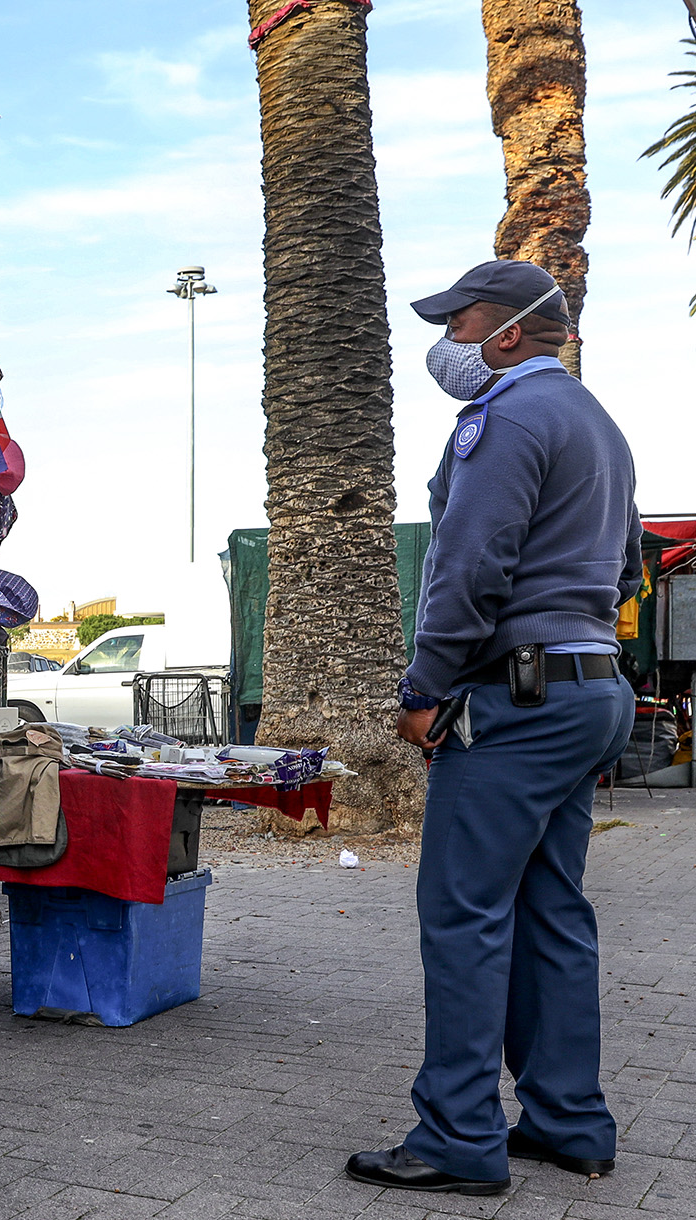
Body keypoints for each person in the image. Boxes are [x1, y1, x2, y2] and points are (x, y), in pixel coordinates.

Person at [347, 260, 641, 1195]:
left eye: (459, 321)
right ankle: (567, 1121)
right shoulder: (598, 424)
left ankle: (456, 1138)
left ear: (509, 332)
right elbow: (626, 569)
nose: (448, 339)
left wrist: (424, 685)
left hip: (516, 701)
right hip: (590, 691)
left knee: (464, 914)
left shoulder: (503, 417)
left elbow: (468, 567)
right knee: (551, 910)